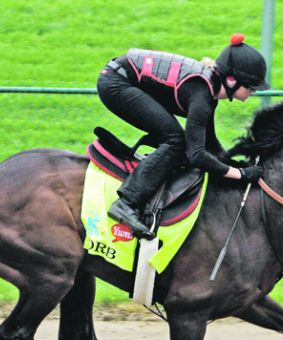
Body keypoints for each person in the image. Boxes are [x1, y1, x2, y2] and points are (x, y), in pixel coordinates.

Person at [97, 33, 271, 240]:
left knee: (177, 140)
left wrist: (236, 165)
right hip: (116, 83)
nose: (253, 92)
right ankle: (126, 203)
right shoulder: (202, 95)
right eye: (251, 86)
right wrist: (239, 174)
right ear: (232, 80)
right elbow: (197, 155)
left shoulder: (208, 91)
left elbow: (209, 144)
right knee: (175, 140)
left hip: (121, 77)